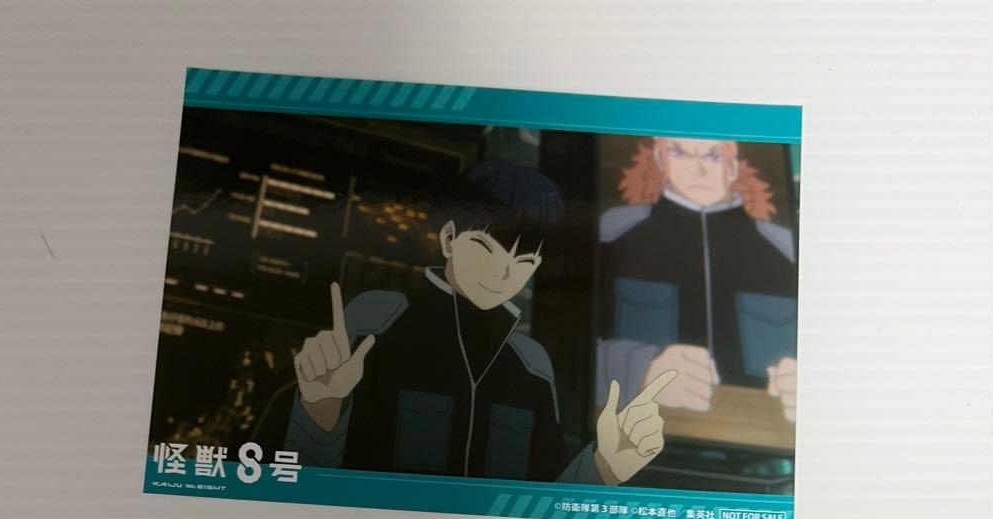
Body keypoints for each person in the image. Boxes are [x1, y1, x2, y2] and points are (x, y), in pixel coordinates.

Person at [284, 159, 674, 486]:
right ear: (449, 237)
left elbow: (542, 502)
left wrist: (604, 467)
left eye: (523, 262)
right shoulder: (378, 321)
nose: (502, 274)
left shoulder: (532, 365)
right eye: (486, 248)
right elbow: (307, 484)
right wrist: (320, 406)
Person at [597, 137, 798, 424]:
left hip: (759, 437)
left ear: (732, 166)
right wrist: (641, 373)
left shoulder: (786, 250)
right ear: (661, 158)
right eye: (680, 153)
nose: (698, 170)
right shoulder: (611, 235)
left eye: (713, 157)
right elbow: (564, 354)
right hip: (638, 438)